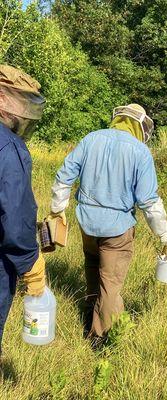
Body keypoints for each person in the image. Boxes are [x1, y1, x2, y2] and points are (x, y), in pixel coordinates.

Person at [48, 104, 167, 342]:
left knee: (92, 267)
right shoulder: (140, 151)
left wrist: (57, 209)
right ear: (140, 125)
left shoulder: (91, 139)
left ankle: (90, 314)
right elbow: (148, 200)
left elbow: (64, 175)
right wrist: (164, 232)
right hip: (117, 228)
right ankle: (100, 336)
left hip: (87, 223)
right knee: (111, 283)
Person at [0, 65, 46, 356]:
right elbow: (13, 217)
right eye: (21, 101)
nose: (24, 113)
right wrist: (31, 262)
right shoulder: (8, 146)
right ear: (2, 99)